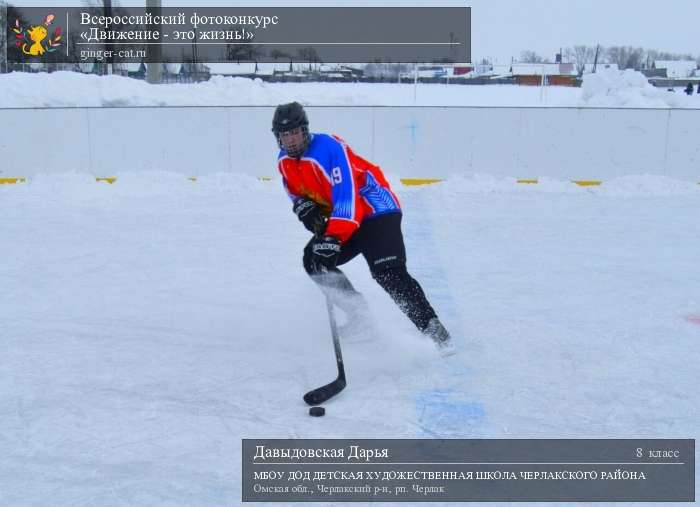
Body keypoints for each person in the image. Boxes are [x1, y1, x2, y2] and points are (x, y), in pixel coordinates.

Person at [272, 101, 454, 353]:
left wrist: (333, 237)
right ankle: (360, 318)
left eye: (294, 132)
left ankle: (434, 331)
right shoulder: (284, 162)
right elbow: (295, 193)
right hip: (344, 219)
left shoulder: (329, 148)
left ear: (305, 130)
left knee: (387, 271)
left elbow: (348, 196)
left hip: (375, 209)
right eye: (284, 135)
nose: (290, 140)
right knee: (315, 261)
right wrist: (306, 209)